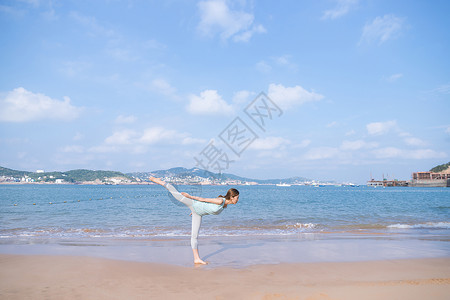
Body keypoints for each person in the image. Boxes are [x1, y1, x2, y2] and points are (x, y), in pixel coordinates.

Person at [149, 177, 239, 265]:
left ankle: (196, 259)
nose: (237, 200)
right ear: (232, 197)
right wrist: (190, 196)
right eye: (237, 198)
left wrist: (194, 211)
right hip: (194, 204)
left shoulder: (225, 205)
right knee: (176, 194)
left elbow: (208, 208)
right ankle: (160, 182)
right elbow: (203, 199)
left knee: (194, 236)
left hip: (198, 213)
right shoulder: (220, 201)